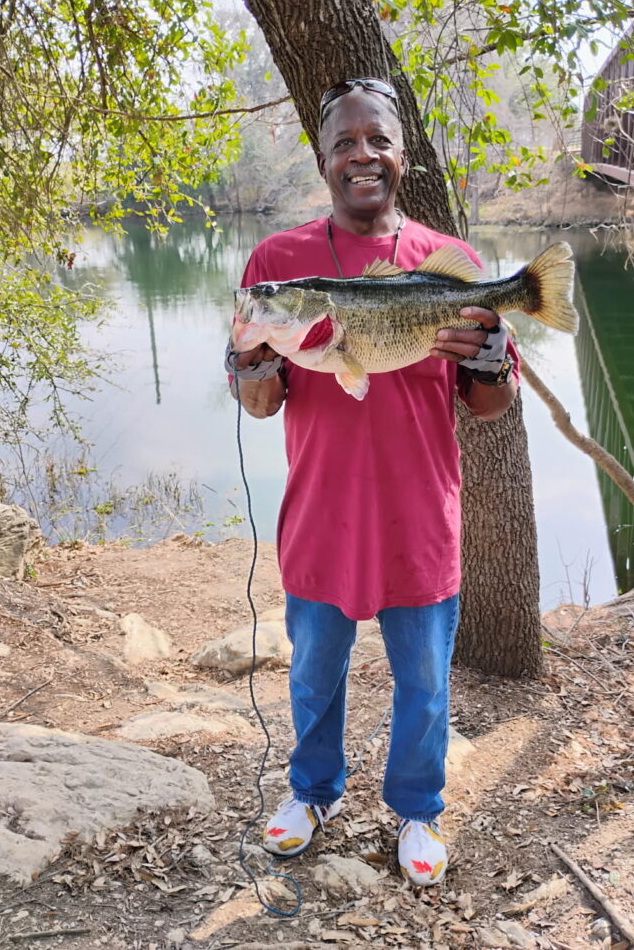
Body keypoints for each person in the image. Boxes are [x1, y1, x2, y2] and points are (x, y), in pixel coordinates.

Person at [226, 77, 519, 887]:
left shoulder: (444, 265)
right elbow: (257, 403)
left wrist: (494, 360)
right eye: (345, 143)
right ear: (323, 160)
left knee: (424, 684)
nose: (363, 156)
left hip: (420, 519)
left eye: (377, 140)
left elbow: (489, 405)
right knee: (314, 673)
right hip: (321, 518)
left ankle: (417, 810)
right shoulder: (276, 267)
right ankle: (311, 794)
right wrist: (251, 360)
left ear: (401, 155)